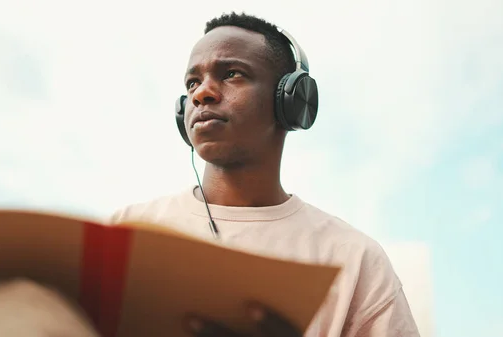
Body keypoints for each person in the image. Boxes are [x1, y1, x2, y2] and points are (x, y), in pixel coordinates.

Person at [110, 12, 421, 337]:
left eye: (231, 74)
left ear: (290, 100)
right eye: (192, 83)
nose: (202, 93)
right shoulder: (128, 230)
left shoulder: (353, 259)